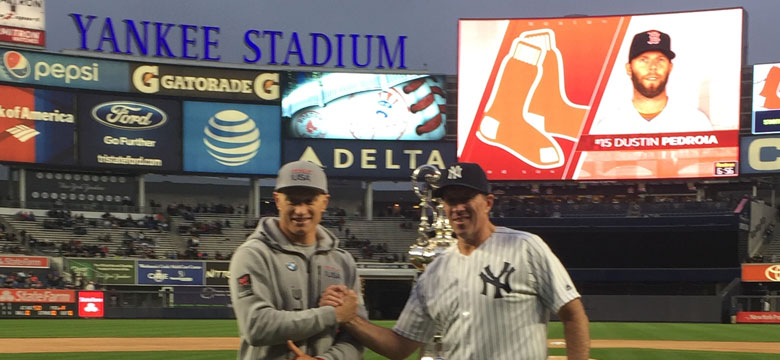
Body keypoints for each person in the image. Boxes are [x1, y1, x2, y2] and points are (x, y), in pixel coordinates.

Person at [299, 162, 590, 360]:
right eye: (450, 200)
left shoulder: (526, 247)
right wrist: (348, 318)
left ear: (488, 202)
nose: (458, 208)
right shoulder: (435, 271)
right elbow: (401, 346)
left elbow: (572, 313)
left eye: (466, 198)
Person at [228, 160, 366, 360]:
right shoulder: (253, 254)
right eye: (292, 201)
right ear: (277, 200)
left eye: (309, 201)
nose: (300, 211)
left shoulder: (342, 261)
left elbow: (356, 336)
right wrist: (332, 314)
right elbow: (256, 326)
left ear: (324, 203)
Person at [591, 29, 712, 134]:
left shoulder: (694, 122)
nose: (653, 67)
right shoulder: (608, 126)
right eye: (644, 60)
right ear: (629, 68)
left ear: (670, 67)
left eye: (660, 60)